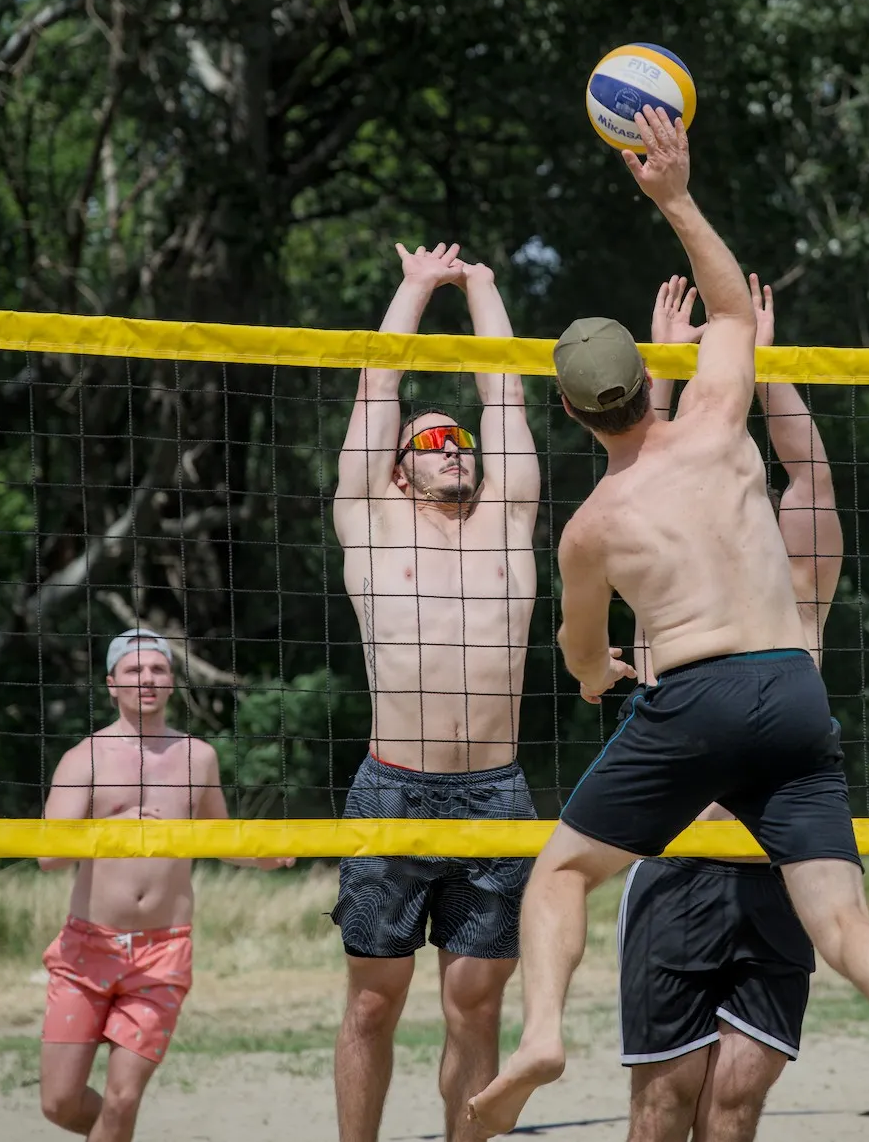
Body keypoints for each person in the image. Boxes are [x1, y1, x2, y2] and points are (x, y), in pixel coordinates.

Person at [467, 107, 869, 1142]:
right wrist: (671, 195)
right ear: (657, 377)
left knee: (561, 870)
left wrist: (586, 674)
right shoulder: (719, 422)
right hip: (790, 688)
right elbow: (728, 306)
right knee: (841, 922)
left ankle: (537, 1036)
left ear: (570, 414)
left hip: (692, 694)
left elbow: (578, 653)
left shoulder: (592, 527)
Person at [618, 272, 843, 1142]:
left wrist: (763, 354)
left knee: (737, 1100)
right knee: (664, 1106)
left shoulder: (801, 593)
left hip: (782, 865)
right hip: (677, 861)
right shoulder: (665, 579)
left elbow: (812, 473)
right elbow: (639, 474)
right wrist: (664, 368)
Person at [331, 241, 542, 1142]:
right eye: (433, 440)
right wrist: (416, 289)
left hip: (495, 794)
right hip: (394, 787)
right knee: (374, 1008)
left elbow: (508, 393)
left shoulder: (508, 517)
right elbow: (377, 392)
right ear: (395, 467)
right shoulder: (371, 522)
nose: (454, 446)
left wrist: (486, 289)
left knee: (474, 1008)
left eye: (462, 442)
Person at [37, 628, 294, 1142]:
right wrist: (117, 830)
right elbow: (50, 856)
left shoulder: (198, 757)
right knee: (60, 1103)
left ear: (172, 682)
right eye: (133, 671)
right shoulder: (83, 758)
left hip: (162, 950)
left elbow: (219, 839)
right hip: (88, 947)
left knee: (122, 1098)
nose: (147, 679)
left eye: (157, 669)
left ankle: (115, 1128)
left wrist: (262, 856)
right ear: (112, 684)